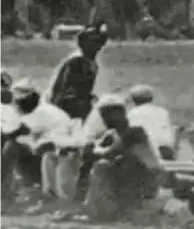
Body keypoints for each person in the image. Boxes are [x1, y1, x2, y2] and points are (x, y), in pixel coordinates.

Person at [81, 93, 164, 223]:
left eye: (107, 114)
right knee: (103, 166)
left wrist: (91, 150)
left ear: (120, 113)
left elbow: (109, 153)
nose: (104, 119)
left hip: (147, 179)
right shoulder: (113, 134)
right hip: (131, 178)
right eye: (103, 114)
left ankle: (97, 212)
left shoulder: (135, 132)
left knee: (102, 166)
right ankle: (98, 210)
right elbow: (97, 151)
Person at [2, 81, 73, 203]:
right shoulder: (37, 111)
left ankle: (5, 194)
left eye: (20, 102)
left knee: (11, 147)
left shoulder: (45, 113)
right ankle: (14, 190)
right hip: (42, 156)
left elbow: (16, 132)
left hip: (55, 160)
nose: (17, 105)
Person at [45, 23, 109, 121]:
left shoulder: (90, 61)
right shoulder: (77, 60)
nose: (98, 46)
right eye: (93, 42)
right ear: (84, 43)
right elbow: (64, 91)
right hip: (62, 105)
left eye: (99, 42)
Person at [128, 84, 176, 161]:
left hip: (146, 154)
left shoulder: (132, 113)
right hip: (165, 152)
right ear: (151, 98)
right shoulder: (163, 112)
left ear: (134, 100)